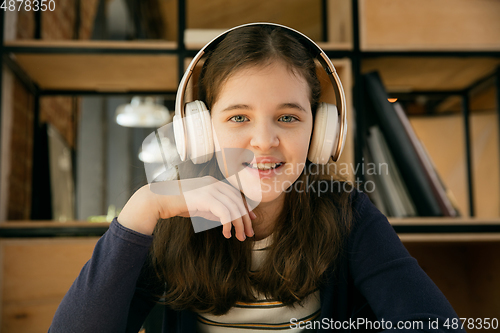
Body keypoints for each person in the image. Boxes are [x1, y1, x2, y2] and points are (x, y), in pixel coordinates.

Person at [49, 24, 464, 333]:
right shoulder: (170, 221)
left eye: (288, 117)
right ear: (201, 132)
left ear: (319, 133)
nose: (264, 141)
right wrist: (144, 206)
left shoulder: (346, 213)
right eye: (238, 117)